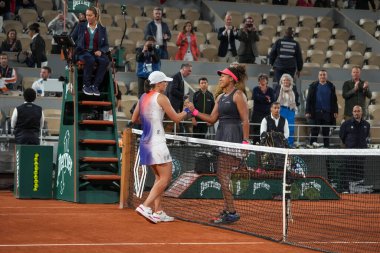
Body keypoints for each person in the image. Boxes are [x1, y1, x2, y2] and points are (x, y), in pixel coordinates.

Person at [187, 65, 249, 224]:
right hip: (221, 135)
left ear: (231, 79)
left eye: (223, 76)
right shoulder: (220, 97)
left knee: (222, 174)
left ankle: (232, 211)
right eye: (220, 76)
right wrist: (194, 112)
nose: (220, 78)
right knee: (222, 175)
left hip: (233, 136)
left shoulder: (238, 95)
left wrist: (245, 143)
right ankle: (229, 209)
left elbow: (246, 120)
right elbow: (211, 119)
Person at [132, 71, 191, 223]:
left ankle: (158, 211)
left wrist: (149, 121)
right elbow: (177, 119)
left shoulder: (143, 97)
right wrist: (188, 110)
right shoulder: (162, 98)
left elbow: (134, 118)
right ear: (158, 84)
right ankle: (145, 206)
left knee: (159, 178)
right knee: (165, 178)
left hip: (145, 143)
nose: (166, 84)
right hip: (157, 142)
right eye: (164, 82)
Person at [71, 6, 109, 96]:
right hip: (83, 51)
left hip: (96, 52)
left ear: (95, 16)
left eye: (90, 15)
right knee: (90, 59)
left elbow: (106, 45)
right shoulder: (80, 26)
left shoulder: (102, 29)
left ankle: (95, 86)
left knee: (105, 61)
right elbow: (72, 38)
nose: (87, 17)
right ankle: (86, 85)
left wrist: (101, 51)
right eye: (87, 15)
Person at [339, 105, 371, 193]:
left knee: (360, 171)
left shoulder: (366, 125)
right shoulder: (346, 124)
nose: (357, 113)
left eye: (358, 111)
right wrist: (349, 144)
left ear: (361, 112)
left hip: (362, 153)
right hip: (350, 152)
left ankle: (358, 189)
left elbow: (366, 135)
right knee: (348, 170)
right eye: (355, 111)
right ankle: (346, 189)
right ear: (352, 112)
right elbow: (342, 136)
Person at [305, 69, 338, 148]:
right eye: (321, 75)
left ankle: (326, 148)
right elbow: (309, 100)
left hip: (327, 113)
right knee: (314, 131)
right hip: (315, 112)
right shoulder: (313, 86)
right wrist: (307, 111)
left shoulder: (331, 86)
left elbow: (334, 100)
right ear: (318, 76)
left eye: (324, 75)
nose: (322, 76)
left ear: (326, 76)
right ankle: (312, 147)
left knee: (326, 132)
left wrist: (335, 111)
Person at [251, 73, 275, 144]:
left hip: (267, 113)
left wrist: (261, 98)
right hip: (257, 113)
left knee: (266, 128)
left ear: (267, 81)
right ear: (258, 81)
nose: (262, 81)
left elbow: (272, 100)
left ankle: (265, 143)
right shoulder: (255, 89)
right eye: (261, 79)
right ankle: (256, 143)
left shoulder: (270, 90)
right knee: (256, 128)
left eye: (264, 79)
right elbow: (256, 98)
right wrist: (265, 98)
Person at [275, 74, 298, 147]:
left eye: (287, 80)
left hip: (290, 110)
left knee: (290, 128)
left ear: (290, 81)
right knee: (280, 128)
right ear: (281, 81)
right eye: (284, 80)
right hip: (281, 109)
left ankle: (290, 144)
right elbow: (275, 99)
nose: (286, 81)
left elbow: (297, 98)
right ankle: (280, 144)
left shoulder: (293, 88)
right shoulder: (278, 88)